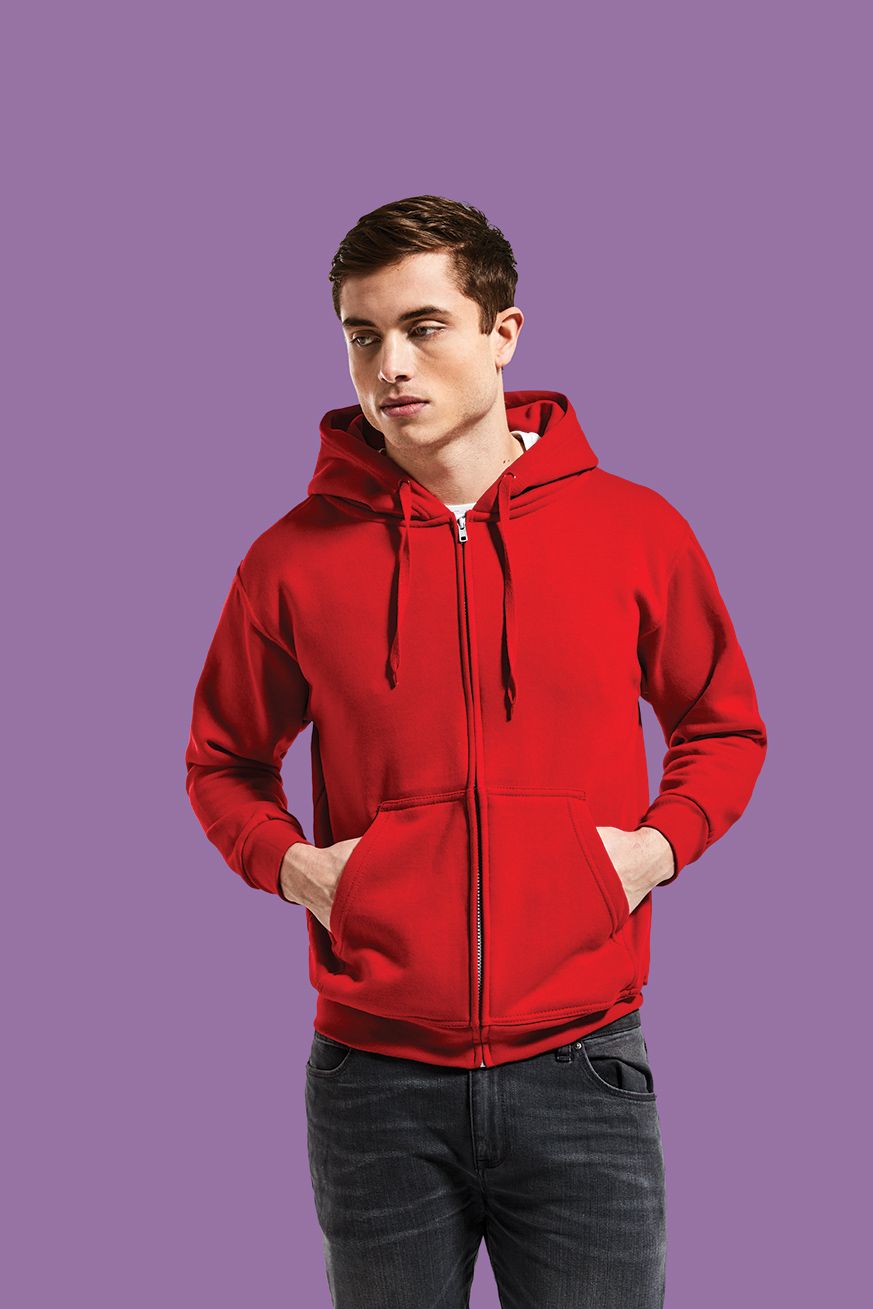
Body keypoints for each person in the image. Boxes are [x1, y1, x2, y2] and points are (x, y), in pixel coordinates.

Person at [185, 194, 768, 1308]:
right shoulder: (289, 559)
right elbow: (222, 759)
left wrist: (650, 852)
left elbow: (721, 725)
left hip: (585, 1064)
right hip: (374, 1082)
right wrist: (299, 869)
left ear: (504, 333)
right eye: (363, 335)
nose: (390, 365)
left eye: (423, 326)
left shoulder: (635, 530)